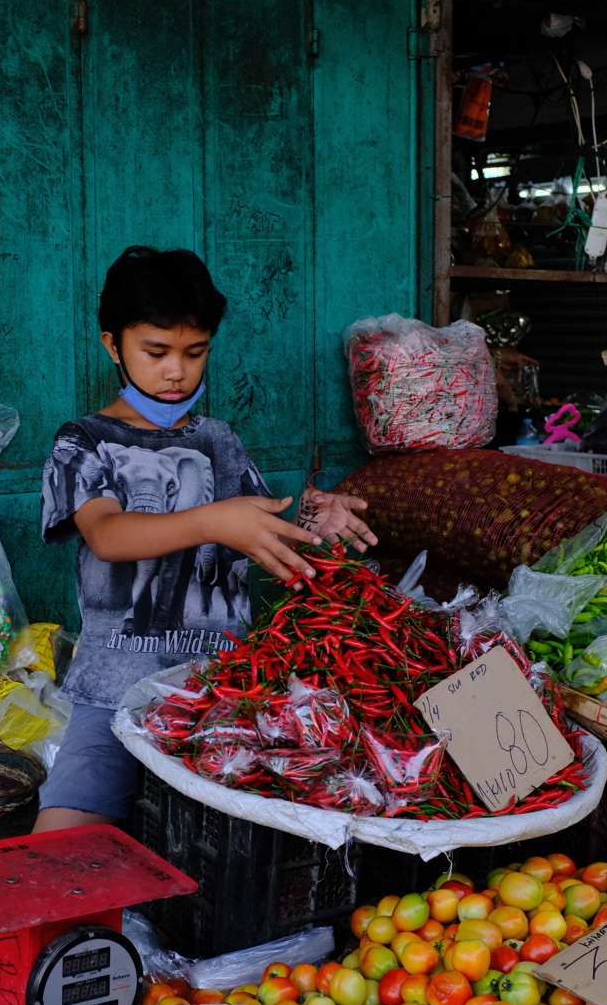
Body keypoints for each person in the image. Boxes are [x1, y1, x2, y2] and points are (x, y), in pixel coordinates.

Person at [34, 245, 375, 831]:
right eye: (156, 352)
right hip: (113, 692)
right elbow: (107, 535)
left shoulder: (220, 440)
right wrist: (215, 520)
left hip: (222, 692)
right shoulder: (83, 441)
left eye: (195, 353)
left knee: (216, 846)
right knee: (62, 845)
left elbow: (261, 535)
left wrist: (316, 522)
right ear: (113, 345)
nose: (177, 371)